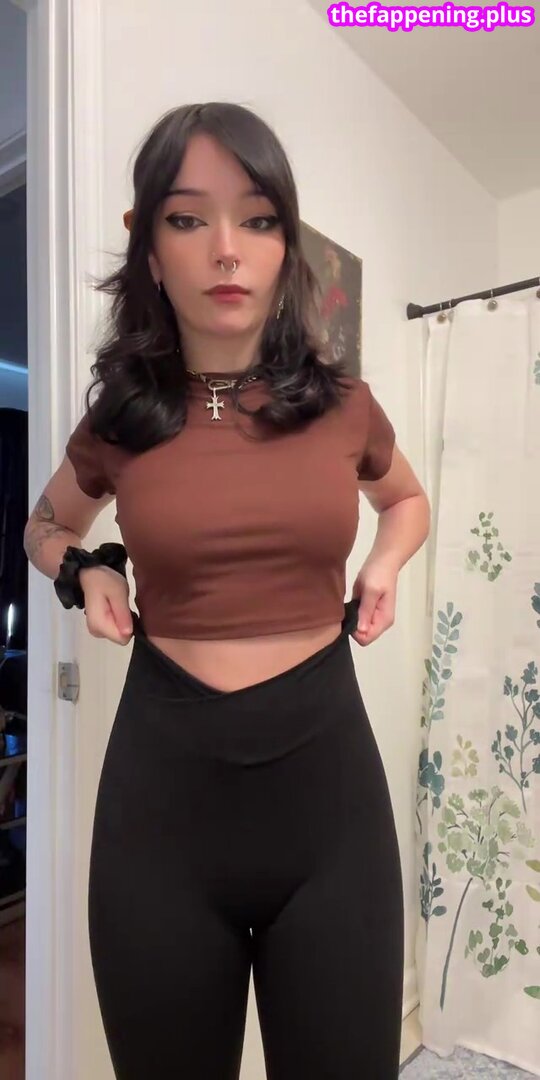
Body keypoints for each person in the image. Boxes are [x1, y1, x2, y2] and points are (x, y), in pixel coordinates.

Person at [23, 102, 430, 1080]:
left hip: (328, 811)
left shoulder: (343, 406)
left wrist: (383, 564)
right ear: (150, 251)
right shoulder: (122, 420)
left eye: (255, 218)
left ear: (285, 247)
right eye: (187, 218)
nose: (224, 249)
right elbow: (43, 527)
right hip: (161, 814)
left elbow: (407, 500)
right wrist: (86, 570)